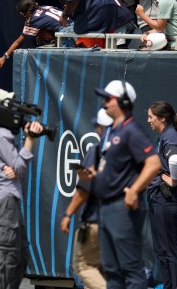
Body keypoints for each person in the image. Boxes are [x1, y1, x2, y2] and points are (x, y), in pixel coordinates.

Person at [89, 80, 160, 288]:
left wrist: (135, 190)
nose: (104, 102)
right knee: (112, 270)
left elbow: (154, 163)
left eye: (108, 98)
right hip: (107, 207)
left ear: (123, 102)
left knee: (130, 270)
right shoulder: (116, 131)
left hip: (122, 209)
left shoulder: (131, 130)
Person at [0, 89, 44, 289]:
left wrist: (13, 167)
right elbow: (18, 168)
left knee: (21, 253)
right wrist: (30, 140)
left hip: (3, 199)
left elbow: (13, 168)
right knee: (8, 252)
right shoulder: (1, 134)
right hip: (4, 200)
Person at [60, 108, 112, 289]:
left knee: (82, 265)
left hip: (98, 218)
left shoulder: (98, 150)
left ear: (101, 127)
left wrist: (68, 214)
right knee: (102, 269)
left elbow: (84, 188)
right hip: (122, 220)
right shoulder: (127, 148)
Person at [146, 101, 177, 289]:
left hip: (166, 201)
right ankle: (169, 285)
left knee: (169, 249)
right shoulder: (164, 136)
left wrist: (174, 180)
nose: (148, 121)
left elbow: (176, 159)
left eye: (151, 117)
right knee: (161, 250)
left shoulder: (170, 135)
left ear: (162, 118)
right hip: (157, 200)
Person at [0, 0, 73, 68]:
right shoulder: (46, 7)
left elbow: (18, 42)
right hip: (74, 27)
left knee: (67, 65)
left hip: (67, 35)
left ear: (22, 13)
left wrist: (4, 57)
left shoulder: (33, 20)